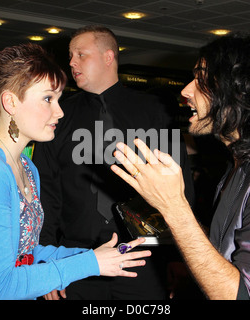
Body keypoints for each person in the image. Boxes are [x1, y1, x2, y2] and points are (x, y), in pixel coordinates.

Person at [110, 32, 250, 300]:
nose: (186, 90)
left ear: (240, 90)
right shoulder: (244, 159)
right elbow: (228, 248)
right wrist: (173, 226)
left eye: (202, 79)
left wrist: (175, 208)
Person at [0, 43, 151, 300]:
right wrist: (90, 264)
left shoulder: (27, 167)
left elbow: (27, 253)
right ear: (10, 102)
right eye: (48, 99)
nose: (59, 111)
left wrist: (95, 256)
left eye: (58, 99)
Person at [33, 25, 195, 300]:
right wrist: (47, 262)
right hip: (76, 260)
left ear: (108, 57)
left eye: (80, 54)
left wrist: (180, 258)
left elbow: (181, 187)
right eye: (70, 55)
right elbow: (44, 193)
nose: (71, 62)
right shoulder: (58, 116)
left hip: (143, 258)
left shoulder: (153, 111)